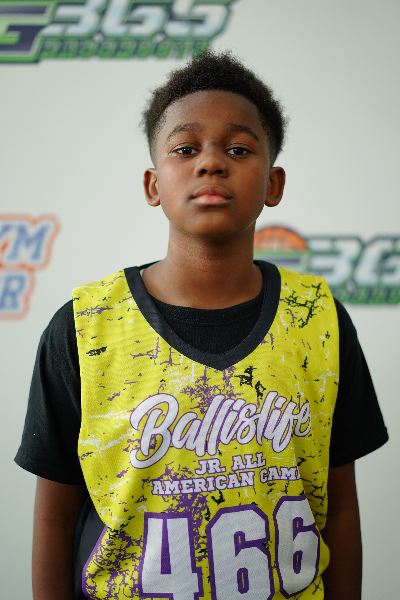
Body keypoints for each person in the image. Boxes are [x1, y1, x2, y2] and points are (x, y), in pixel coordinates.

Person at [15, 50, 388, 600]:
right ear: (153, 185)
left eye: (238, 149)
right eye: (186, 149)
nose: (211, 163)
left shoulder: (318, 319)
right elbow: (54, 517)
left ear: (273, 183)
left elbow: (342, 505)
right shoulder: (85, 327)